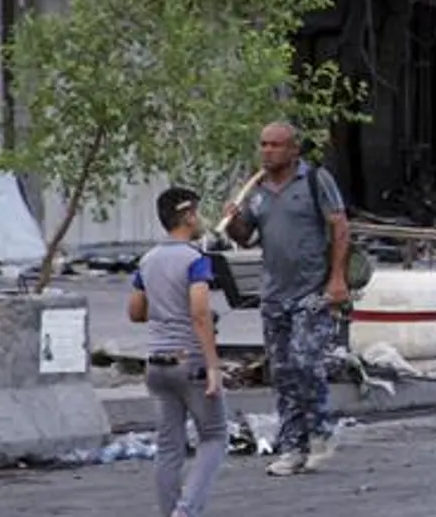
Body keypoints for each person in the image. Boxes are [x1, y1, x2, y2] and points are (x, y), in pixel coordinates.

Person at [222, 122, 350, 476]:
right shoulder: (258, 190)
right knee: (282, 373)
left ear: (294, 150)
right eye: (263, 144)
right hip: (274, 295)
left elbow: (340, 227)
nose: (267, 151)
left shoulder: (314, 180)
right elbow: (245, 235)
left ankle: (321, 431)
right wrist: (232, 220)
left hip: (313, 291)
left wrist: (337, 279)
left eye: (275, 145)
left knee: (306, 362)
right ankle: (293, 447)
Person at [130, 188, 227, 517]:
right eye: (197, 213)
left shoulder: (147, 260)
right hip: (190, 362)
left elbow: (135, 312)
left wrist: (164, 304)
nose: (200, 220)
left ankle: (169, 511)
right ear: (187, 216)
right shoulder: (195, 260)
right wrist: (213, 365)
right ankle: (186, 511)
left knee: (169, 447)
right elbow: (200, 313)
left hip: (156, 363)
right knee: (214, 437)